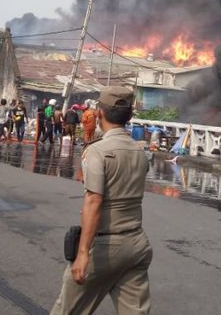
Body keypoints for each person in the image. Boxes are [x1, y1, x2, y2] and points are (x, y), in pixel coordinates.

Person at [50, 86, 152, 315]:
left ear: (99, 114)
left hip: (104, 247)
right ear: (130, 117)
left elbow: (94, 201)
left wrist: (83, 252)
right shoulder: (140, 152)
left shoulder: (98, 151)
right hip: (136, 245)